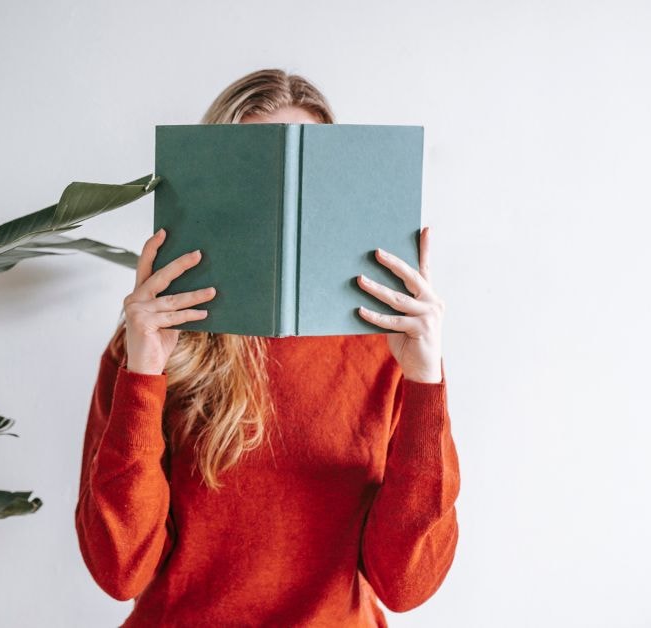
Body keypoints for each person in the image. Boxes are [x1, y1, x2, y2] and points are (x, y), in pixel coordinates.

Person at [74, 68, 459, 627]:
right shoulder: (150, 347)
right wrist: (144, 373)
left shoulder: (386, 351)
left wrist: (426, 382)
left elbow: (406, 584)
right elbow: (119, 572)